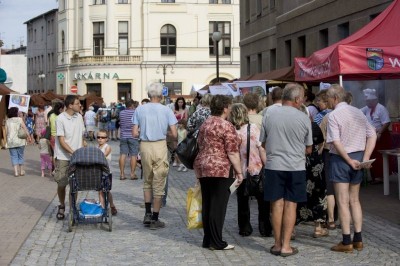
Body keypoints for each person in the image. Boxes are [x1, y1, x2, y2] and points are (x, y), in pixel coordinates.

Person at [260, 83, 312, 257]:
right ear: (297, 99)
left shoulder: (269, 114)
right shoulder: (304, 117)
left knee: (276, 204)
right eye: (302, 98)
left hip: (274, 165)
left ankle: (276, 244)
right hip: (295, 166)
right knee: (291, 204)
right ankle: (286, 246)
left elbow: (263, 143)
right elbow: (309, 147)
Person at [326, 85, 376, 253]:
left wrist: (347, 159)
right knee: (355, 200)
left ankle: (346, 240)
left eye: (328, 99)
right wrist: (366, 157)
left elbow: (336, 141)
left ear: (335, 99)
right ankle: (358, 238)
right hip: (359, 157)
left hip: (341, 159)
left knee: (342, 201)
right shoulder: (359, 112)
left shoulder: (333, 115)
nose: (328, 102)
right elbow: (372, 134)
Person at [194, 95, 243, 250]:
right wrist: (239, 172)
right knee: (218, 206)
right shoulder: (226, 126)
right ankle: (217, 241)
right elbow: (232, 152)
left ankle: (208, 239)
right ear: (225, 108)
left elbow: (199, 144)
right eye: (228, 107)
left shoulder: (205, 124)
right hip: (220, 168)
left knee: (208, 204)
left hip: (203, 166)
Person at [132, 82, 177, 230]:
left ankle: (147, 213)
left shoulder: (140, 109)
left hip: (145, 145)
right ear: (161, 95)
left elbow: (134, 133)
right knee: (159, 182)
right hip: (160, 145)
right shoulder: (167, 110)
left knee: (147, 180)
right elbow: (175, 134)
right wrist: (165, 132)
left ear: (149, 95)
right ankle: (155, 217)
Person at [228, 103, 271, 237]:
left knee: (242, 201)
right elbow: (261, 148)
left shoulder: (233, 132)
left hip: (240, 171)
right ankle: (265, 228)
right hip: (257, 169)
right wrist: (266, 164)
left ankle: (244, 228)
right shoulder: (254, 129)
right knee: (263, 202)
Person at [54, 95, 86, 220]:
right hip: (63, 156)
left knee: (75, 184)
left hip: (77, 156)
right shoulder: (60, 119)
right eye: (78, 103)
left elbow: (81, 135)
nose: (80, 106)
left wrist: (83, 146)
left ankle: (72, 207)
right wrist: (72, 152)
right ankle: (62, 205)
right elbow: (61, 140)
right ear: (70, 105)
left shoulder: (79, 117)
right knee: (62, 183)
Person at [360, 88, 391, 184]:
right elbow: (358, 111)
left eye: (369, 101)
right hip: (372, 134)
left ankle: (380, 177)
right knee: (372, 155)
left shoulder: (381, 108)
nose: (367, 103)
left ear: (375, 100)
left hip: (381, 134)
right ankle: (375, 176)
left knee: (380, 156)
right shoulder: (367, 108)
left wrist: (380, 133)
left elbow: (386, 122)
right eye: (366, 101)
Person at [6, 107, 32, 177]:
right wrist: (29, 137)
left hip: (11, 141)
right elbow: (25, 129)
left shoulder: (7, 121)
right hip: (20, 141)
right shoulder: (20, 119)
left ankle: (16, 172)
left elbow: (6, 132)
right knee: (20, 155)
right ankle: (21, 171)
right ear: (16, 112)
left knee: (14, 156)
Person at [96, 129, 117, 216]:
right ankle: (103, 208)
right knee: (100, 191)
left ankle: (112, 205)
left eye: (103, 137)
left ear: (106, 139)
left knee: (107, 191)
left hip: (107, 173)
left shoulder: (107, 147)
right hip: (98, 172)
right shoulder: (97, 148)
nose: (100, 139)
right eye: (98, 137)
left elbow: (103, 156)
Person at [119, 99, 139, 180]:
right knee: (133, 155)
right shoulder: (135, 112)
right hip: (133, 136)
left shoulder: (121, 113)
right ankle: (132, 174)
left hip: (123, 135)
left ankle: (122, 174)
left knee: (123, 154)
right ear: (132, 105)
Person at [172, 97, 189, 167]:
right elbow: (172, 119)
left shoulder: (186, 110)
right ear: (177, 103)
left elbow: (186, 120)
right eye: (179, 102)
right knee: (175, 144)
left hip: (182, 128)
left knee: (181, 144)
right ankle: (175, 159)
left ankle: (180, 160)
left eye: (181, 102)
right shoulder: (174, 110)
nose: (180, 103)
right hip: (175, 128)